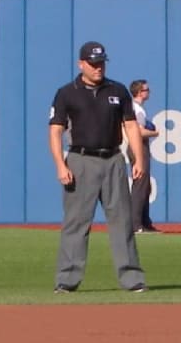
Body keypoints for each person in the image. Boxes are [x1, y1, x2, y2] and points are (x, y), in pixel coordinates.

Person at [48, 41, 148, 294]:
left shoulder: (117, 90)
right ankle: (67, 280)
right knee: (76, 222)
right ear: (81, 64)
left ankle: (132, 279)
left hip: (113, 159)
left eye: (101, 62)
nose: (98, 68)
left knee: (122, 221)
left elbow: (131, 126)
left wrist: (138, 158)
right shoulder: (67, 93)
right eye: (93, 63)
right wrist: (60, 164)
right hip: (81, 160)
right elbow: (55, 130)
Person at [127, 79, 160, 234]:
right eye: (146, 90)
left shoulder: (138, 108)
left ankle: (145, 222)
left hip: (140, 146)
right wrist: (155, 132)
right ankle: (136, 224)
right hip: (137, 147)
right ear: (139, 92)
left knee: (145, 186)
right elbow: (138, 132)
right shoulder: (137, 109)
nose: (149, 92)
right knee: (140, 185)